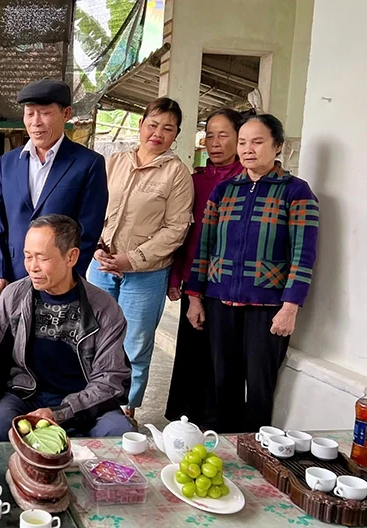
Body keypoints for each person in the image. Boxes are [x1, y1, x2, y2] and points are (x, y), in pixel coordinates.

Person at [186, 114, 319, 433]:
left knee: (259, 386)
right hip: (221, 302)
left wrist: (290, 306)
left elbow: (304, 254)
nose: (248, 149)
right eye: (243, 142)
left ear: (278, 146)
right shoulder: (224, 191)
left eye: (257, 142)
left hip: (268, 308)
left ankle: (255, 449)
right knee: (222, 381)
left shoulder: (296, 192)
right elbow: (204, 246)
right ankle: (222, 447)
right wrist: (195, 296)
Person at [0, 214, 134, 442]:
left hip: (83, 401)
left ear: (71, 257)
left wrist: (62, 412)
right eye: (28, 257)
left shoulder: (104, 308)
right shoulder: (13, 296)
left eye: (42, 258)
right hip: (24, 394)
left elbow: (111, 379)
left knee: (118, 432)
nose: (32, 267)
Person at [87, 97, 194, 418]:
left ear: (176, 135)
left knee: (134, 342)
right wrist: (94, 247)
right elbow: (91, 209)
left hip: (145, 274)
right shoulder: (114, 162)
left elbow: (176, 228)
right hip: (101, 266)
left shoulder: (176, 174)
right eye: (153, 124)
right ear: (140, 124)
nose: (158, 133)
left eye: (168, 128)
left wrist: (131, 259)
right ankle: (92, 402)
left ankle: (124, 409)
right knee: (93, 336)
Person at [0, 79, 107, 299]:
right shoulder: (8, 163)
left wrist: (67, 278)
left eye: (45, 113)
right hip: (12, 279)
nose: (36, 122)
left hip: (61, 283)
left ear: (66, 113)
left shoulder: (88, 164)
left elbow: (88, 230)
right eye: (30, 114)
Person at [165, 109, 246, 427]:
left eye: (223, 135)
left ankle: (218, 424)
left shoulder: (245, 181)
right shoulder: (195, 181)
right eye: (209, 135)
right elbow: (181, 232)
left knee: (223, 357)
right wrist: (175, 275)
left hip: (228, 285)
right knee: (191, 353)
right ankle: (184, 419)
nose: (214, 143)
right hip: (194, 280)